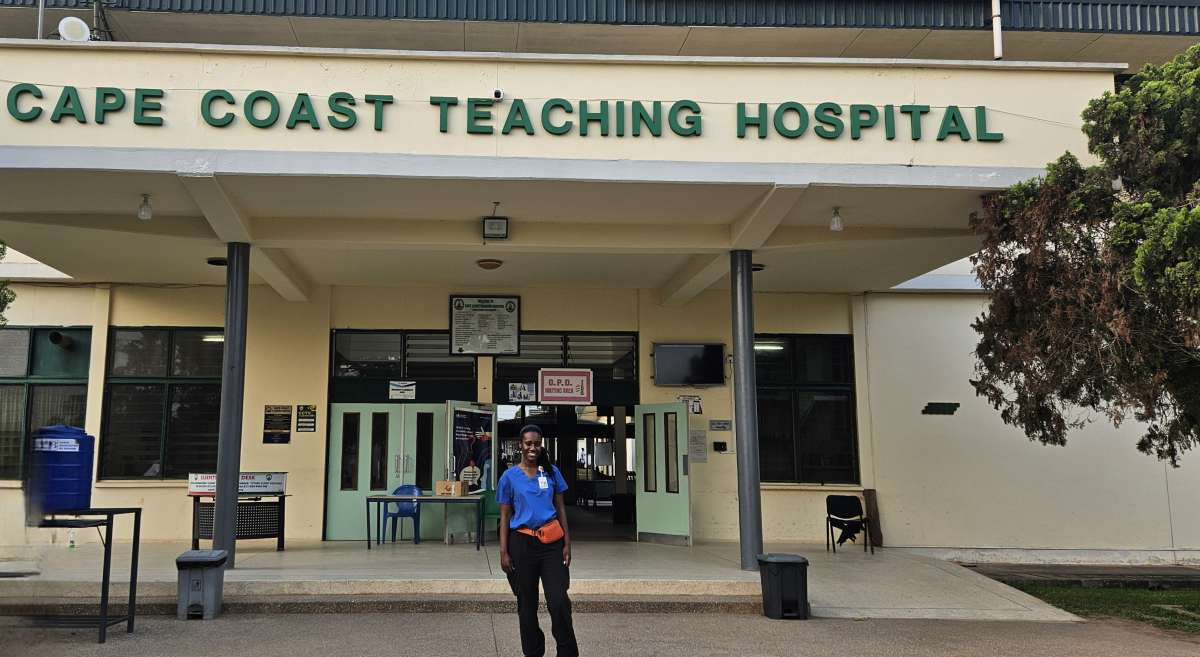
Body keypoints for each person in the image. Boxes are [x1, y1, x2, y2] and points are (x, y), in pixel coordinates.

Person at [497, 424, 578, 657]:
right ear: (520, 445)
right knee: (527, 605)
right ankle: (533, 652)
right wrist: (503, 552)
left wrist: (567, 543)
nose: (533, 448)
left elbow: (561, 509)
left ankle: (567, 652)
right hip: (522, 544)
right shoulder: (509, 477)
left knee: (558, 601)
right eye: (528, 443)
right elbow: (505, 516)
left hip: (551, 543)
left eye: (537, 444)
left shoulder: (551, 472)